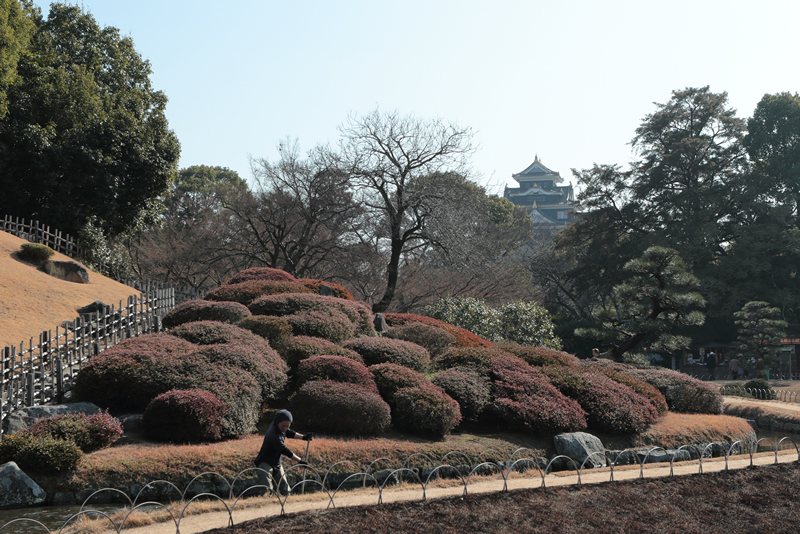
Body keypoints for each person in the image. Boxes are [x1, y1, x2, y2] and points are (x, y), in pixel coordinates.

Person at [254, 409, 313, 496]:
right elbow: (285, 451)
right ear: (277, 423)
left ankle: (288, 505)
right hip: (265, 463)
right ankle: (266, 506)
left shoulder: (281, 428)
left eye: (287, 426)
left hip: (276, 463)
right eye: (283, 426)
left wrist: (304, 437)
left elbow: (289, 433)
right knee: (266, 489)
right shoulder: (273, 435)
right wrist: (300, 461)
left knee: (285, 487)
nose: (285, 428)